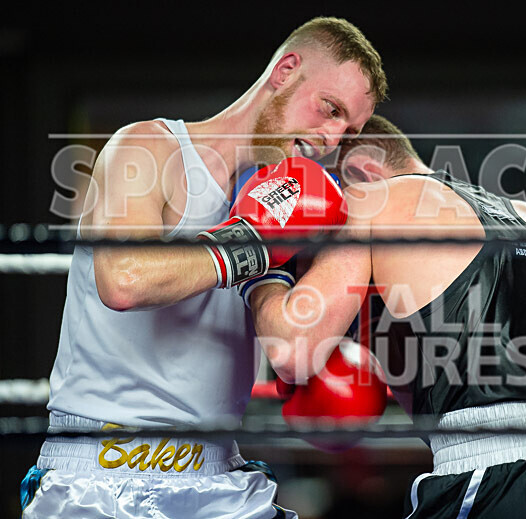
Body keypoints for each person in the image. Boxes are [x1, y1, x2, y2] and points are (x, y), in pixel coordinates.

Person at [20, 17, 386, 519]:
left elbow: (293, 352)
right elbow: (123, 279)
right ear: (285, 70)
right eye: (330, 110)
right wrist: (252, 242)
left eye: (348, 130)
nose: (330, 138)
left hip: (221, 480)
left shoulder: (291, 206)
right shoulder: (150, 149)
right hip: (102, 479)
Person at [247, 115, 526, 518]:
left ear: (360, 171)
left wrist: (268, 265)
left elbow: (292, 351)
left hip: (495, 473)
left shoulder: (369, 200)